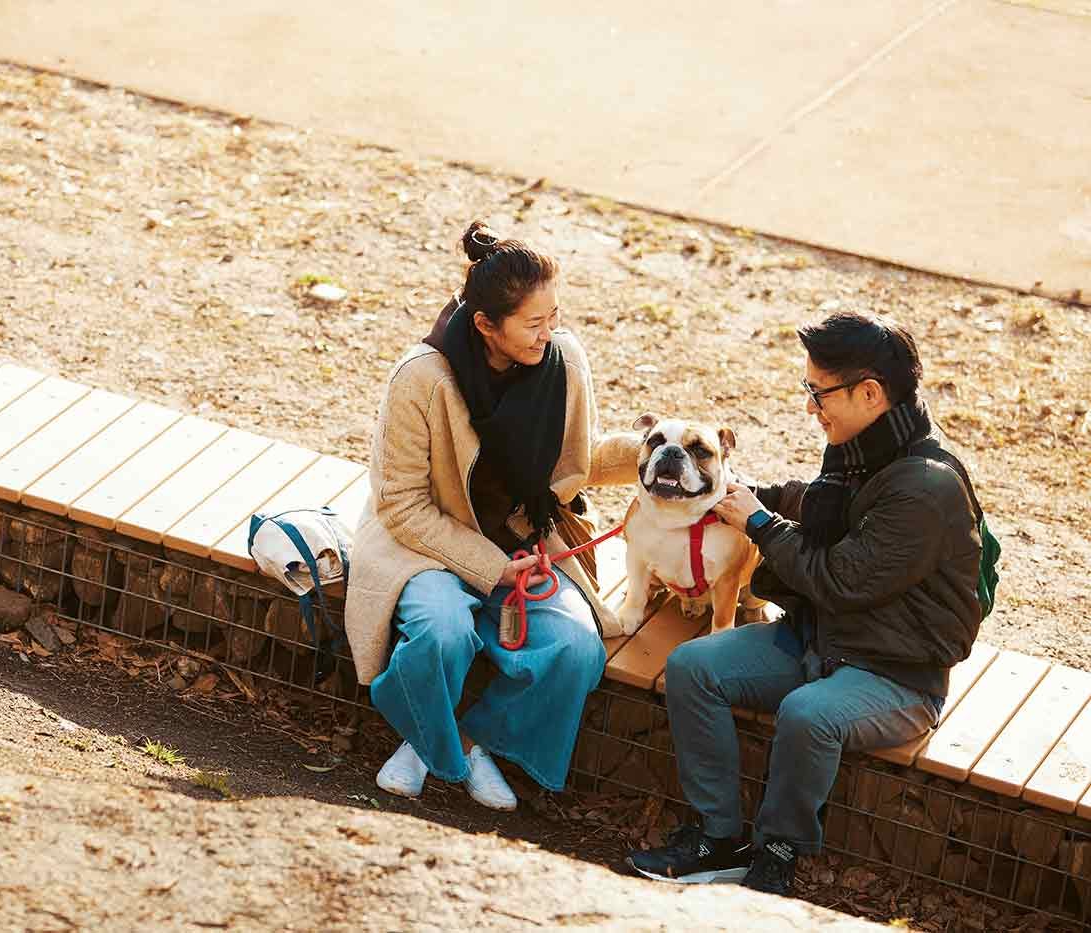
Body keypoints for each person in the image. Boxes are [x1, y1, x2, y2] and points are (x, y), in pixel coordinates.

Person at [625, 311, 983, 895]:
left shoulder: (926, 486)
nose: (811, 407)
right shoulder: (862, 447)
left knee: (808, 715)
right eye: (808, 391)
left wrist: (760, 524)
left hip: (895, 674)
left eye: (819, 393)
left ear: (869, 393)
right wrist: (734, 494)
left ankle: (777, 853)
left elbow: (841, 579)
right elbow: (814, 504)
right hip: (825, 642)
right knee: (692, 666)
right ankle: (716, 836)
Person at [343, 220, 636, 811]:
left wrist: (656, 455)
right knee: (441, 629)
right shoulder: (421, 378)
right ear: (485, 325)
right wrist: (489, 565)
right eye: (533, 323)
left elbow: (573, 466)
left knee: (578, 649)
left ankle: (464, 741)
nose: (549, 334)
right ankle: (436, 746)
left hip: (528, 543)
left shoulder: (564, 360)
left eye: (554, 316)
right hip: (421, 543)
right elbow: (401, 503)